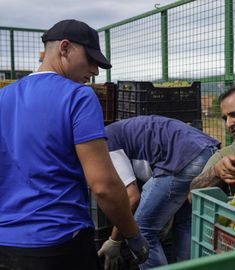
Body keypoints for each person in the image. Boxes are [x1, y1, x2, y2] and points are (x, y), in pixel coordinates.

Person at [0, 19, 148, 270]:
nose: (95, 71)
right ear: (65, 48)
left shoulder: (3, 96)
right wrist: (133, 235)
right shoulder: (78, 96)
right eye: (90, 59)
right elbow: (103, 185)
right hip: (59, 242)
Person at [97, 115, 219, 270]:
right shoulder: (117, 131)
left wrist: (114, 241)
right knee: (185, 223)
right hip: (206, 151)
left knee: (140, 230)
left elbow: (132, 197)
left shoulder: (105, 144)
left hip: (182, 159)